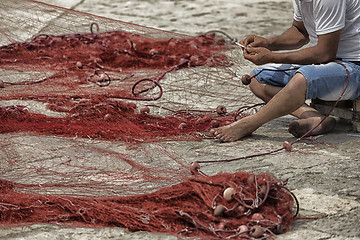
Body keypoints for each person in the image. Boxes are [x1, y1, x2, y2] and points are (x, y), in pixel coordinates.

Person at [211, 0, 360, 142]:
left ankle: (250, 124)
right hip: (324, 64)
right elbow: (300, 31)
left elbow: (325, 53)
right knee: (257, 78)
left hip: (352, 66)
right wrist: (268, 43)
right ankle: (315, 117)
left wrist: (272, 57)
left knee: (302, 79)